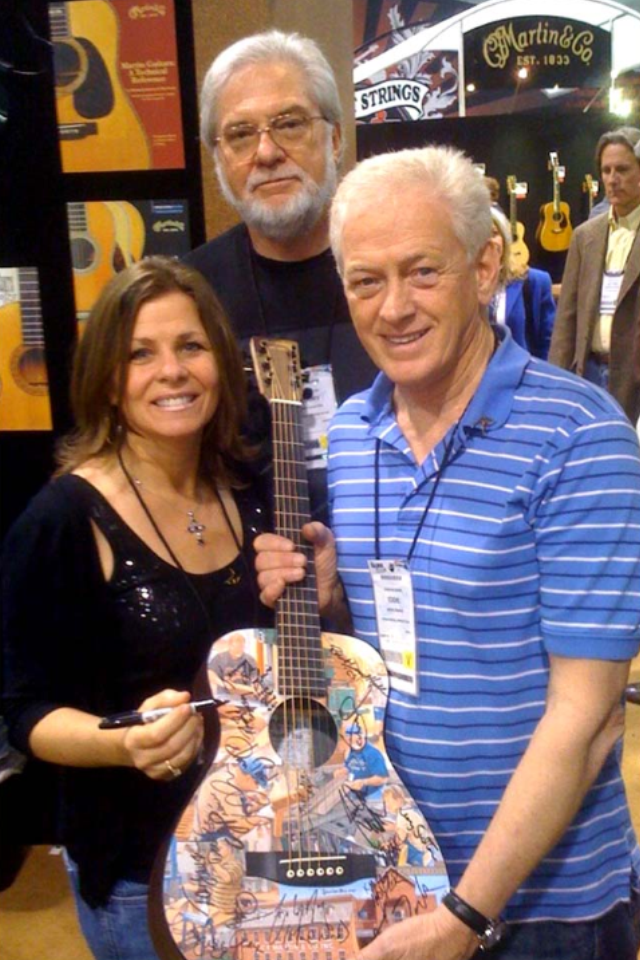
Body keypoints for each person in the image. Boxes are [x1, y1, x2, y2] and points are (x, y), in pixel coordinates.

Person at [254, 145, 640, 959]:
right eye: (366, 280)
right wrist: (325, 599)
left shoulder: (581, 436)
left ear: (484, 266)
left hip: (546, 905)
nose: (393, 308)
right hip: (394, 877)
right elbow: (392, 640)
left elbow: (591, 714)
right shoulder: (351, 436)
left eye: (421, 271)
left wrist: (466, 916)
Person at [1, 256, 272, 960]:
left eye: (190, 346)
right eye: (139, 355)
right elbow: (26, 714)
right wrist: (123, 742)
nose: (172, 371)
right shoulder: (61, 519)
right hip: (140, 871)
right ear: (107, 382)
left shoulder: (251, 488)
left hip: (264, 851)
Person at [184, 30, 376, 519]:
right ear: (218, 161)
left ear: (334, 139)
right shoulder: (188, 296)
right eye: (241, 134)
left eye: (288, 124)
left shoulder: (391, 268)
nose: (265, 153)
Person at [549, 126, 640, 423]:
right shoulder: (584, 236)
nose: (612, 180)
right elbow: (566, 317)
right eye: (606, 170)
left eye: (623, 170)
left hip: (633, 378)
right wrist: (555, 384)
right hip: (587, 374)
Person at [488, 206, 556, 360]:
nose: (489, 241)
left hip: (521, 376)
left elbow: (548, 344)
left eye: (494, 233)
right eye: (481, 235)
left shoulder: (534, 282)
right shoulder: (463, 285)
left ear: (505, 239)